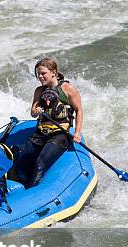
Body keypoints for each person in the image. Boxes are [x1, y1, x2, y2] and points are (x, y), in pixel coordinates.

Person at [17, 57, 84, 188]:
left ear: (53, 72)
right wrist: (37, 111)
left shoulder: (68, 89)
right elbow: (32, 112)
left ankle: (32, 190)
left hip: (60, 134)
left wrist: (77, 132)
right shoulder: (39, 91)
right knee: (20, 159)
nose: (40, 77)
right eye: (38, 74)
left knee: (40, 162)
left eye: (43, 73)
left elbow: (79, 110)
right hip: (42, 132)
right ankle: (23, 184)